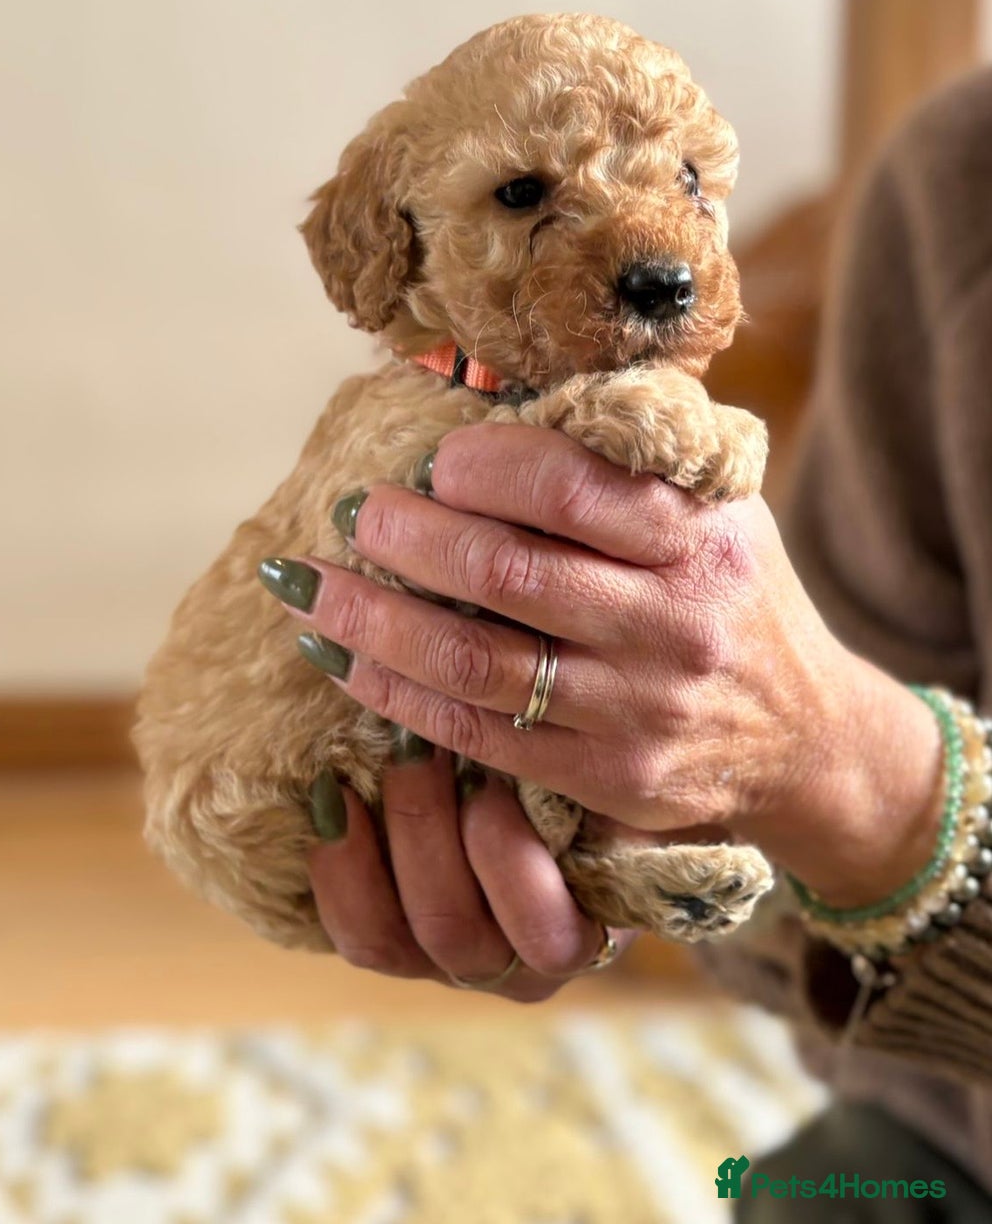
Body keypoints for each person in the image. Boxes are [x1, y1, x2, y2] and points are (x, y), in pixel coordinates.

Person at [271, 69, 992, 1218]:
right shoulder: (963, 179)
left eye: (689, 182)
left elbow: (831, 758)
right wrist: (652, 823)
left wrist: (877, 794)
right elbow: (788, 906)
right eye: (523, 194)